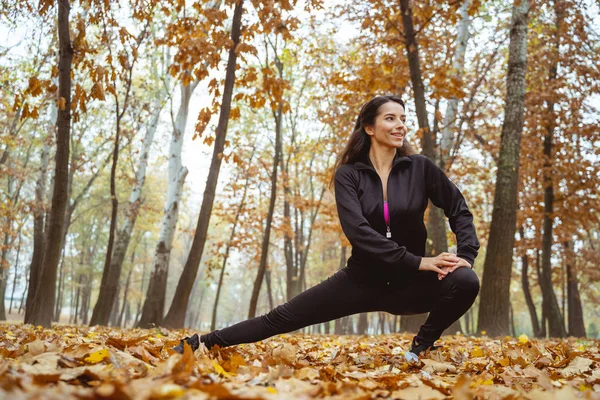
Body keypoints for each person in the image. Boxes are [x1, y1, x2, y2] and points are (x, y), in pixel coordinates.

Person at [174, 95, 480, 357]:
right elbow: (358, 232)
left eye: (403, 118)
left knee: (466, 280)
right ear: (370, 127)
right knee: (279, 318)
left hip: (411, 285)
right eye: (391, 118)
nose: (400, 125)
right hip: (361, 281)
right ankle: (202, 342)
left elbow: (458, 208)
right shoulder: (349, 175)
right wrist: (419, 261)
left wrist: (465, 253)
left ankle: (421, 347)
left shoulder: (420, 168)